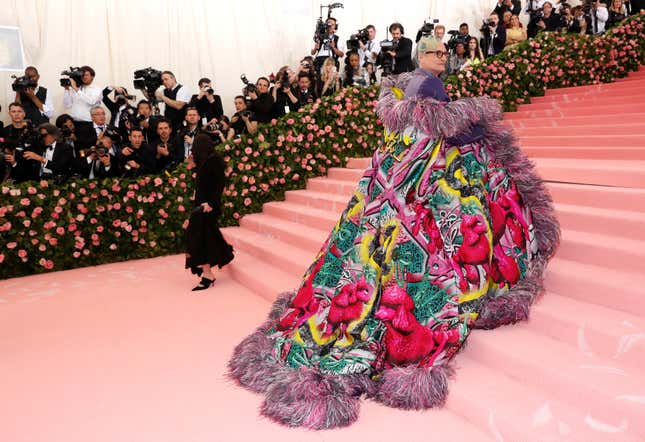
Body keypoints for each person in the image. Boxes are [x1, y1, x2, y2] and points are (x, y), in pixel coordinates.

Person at [229, 35, 559, 430]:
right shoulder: (428, 86)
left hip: (391, 203)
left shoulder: (408, 90)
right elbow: (438, 137)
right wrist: (480, 131)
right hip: (414, 202)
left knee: (369, 264)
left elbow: (414, 141)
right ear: (422, 57)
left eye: (442, 52)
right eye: (436, 52)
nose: (443, 57)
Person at [184, 134, 234, 291]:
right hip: (201, 206)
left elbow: (219, 183)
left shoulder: (214, 160)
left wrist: (211, 203)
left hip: (208, 207)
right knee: (205, 239)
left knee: (201, 239)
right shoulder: (206, 160)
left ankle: (207, 274)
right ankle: (210, 269)